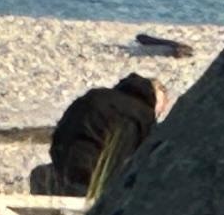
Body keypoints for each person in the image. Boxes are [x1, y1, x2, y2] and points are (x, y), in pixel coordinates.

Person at [31, 71, 162, 197]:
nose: (159, 113)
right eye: (161, 108)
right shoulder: (143, 116)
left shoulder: (96, 96)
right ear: (156, 98)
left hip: (62, 171)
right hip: (96, 180)